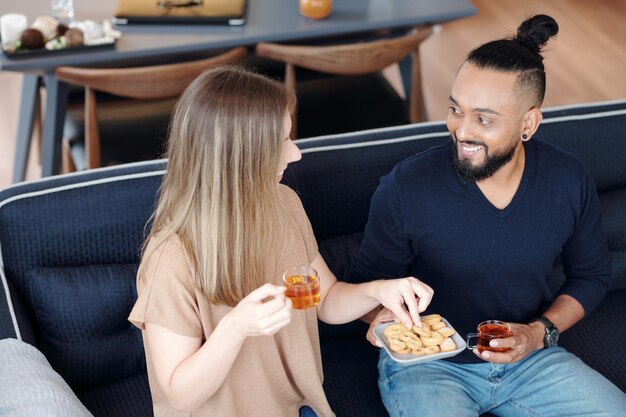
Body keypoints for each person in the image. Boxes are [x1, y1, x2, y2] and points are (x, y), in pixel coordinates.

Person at [351, 14, 626, 417]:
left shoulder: (567, 180)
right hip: (429, 367)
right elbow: (363, 290)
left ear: (528, 123)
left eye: (484, 119)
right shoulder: (407, 187)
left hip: (529, 361)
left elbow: (592, 275)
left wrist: (538, 333)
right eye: (455, 109)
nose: (461, 131)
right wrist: (380, 320)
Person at [128, 65, 434, 417]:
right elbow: (182, 395)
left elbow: (325, 299)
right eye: (280, 144)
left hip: (300, 407)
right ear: (236, 158)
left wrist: (379, 291)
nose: (295, 154)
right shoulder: (171, 258)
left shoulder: (283, 202)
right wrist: (236, 328)